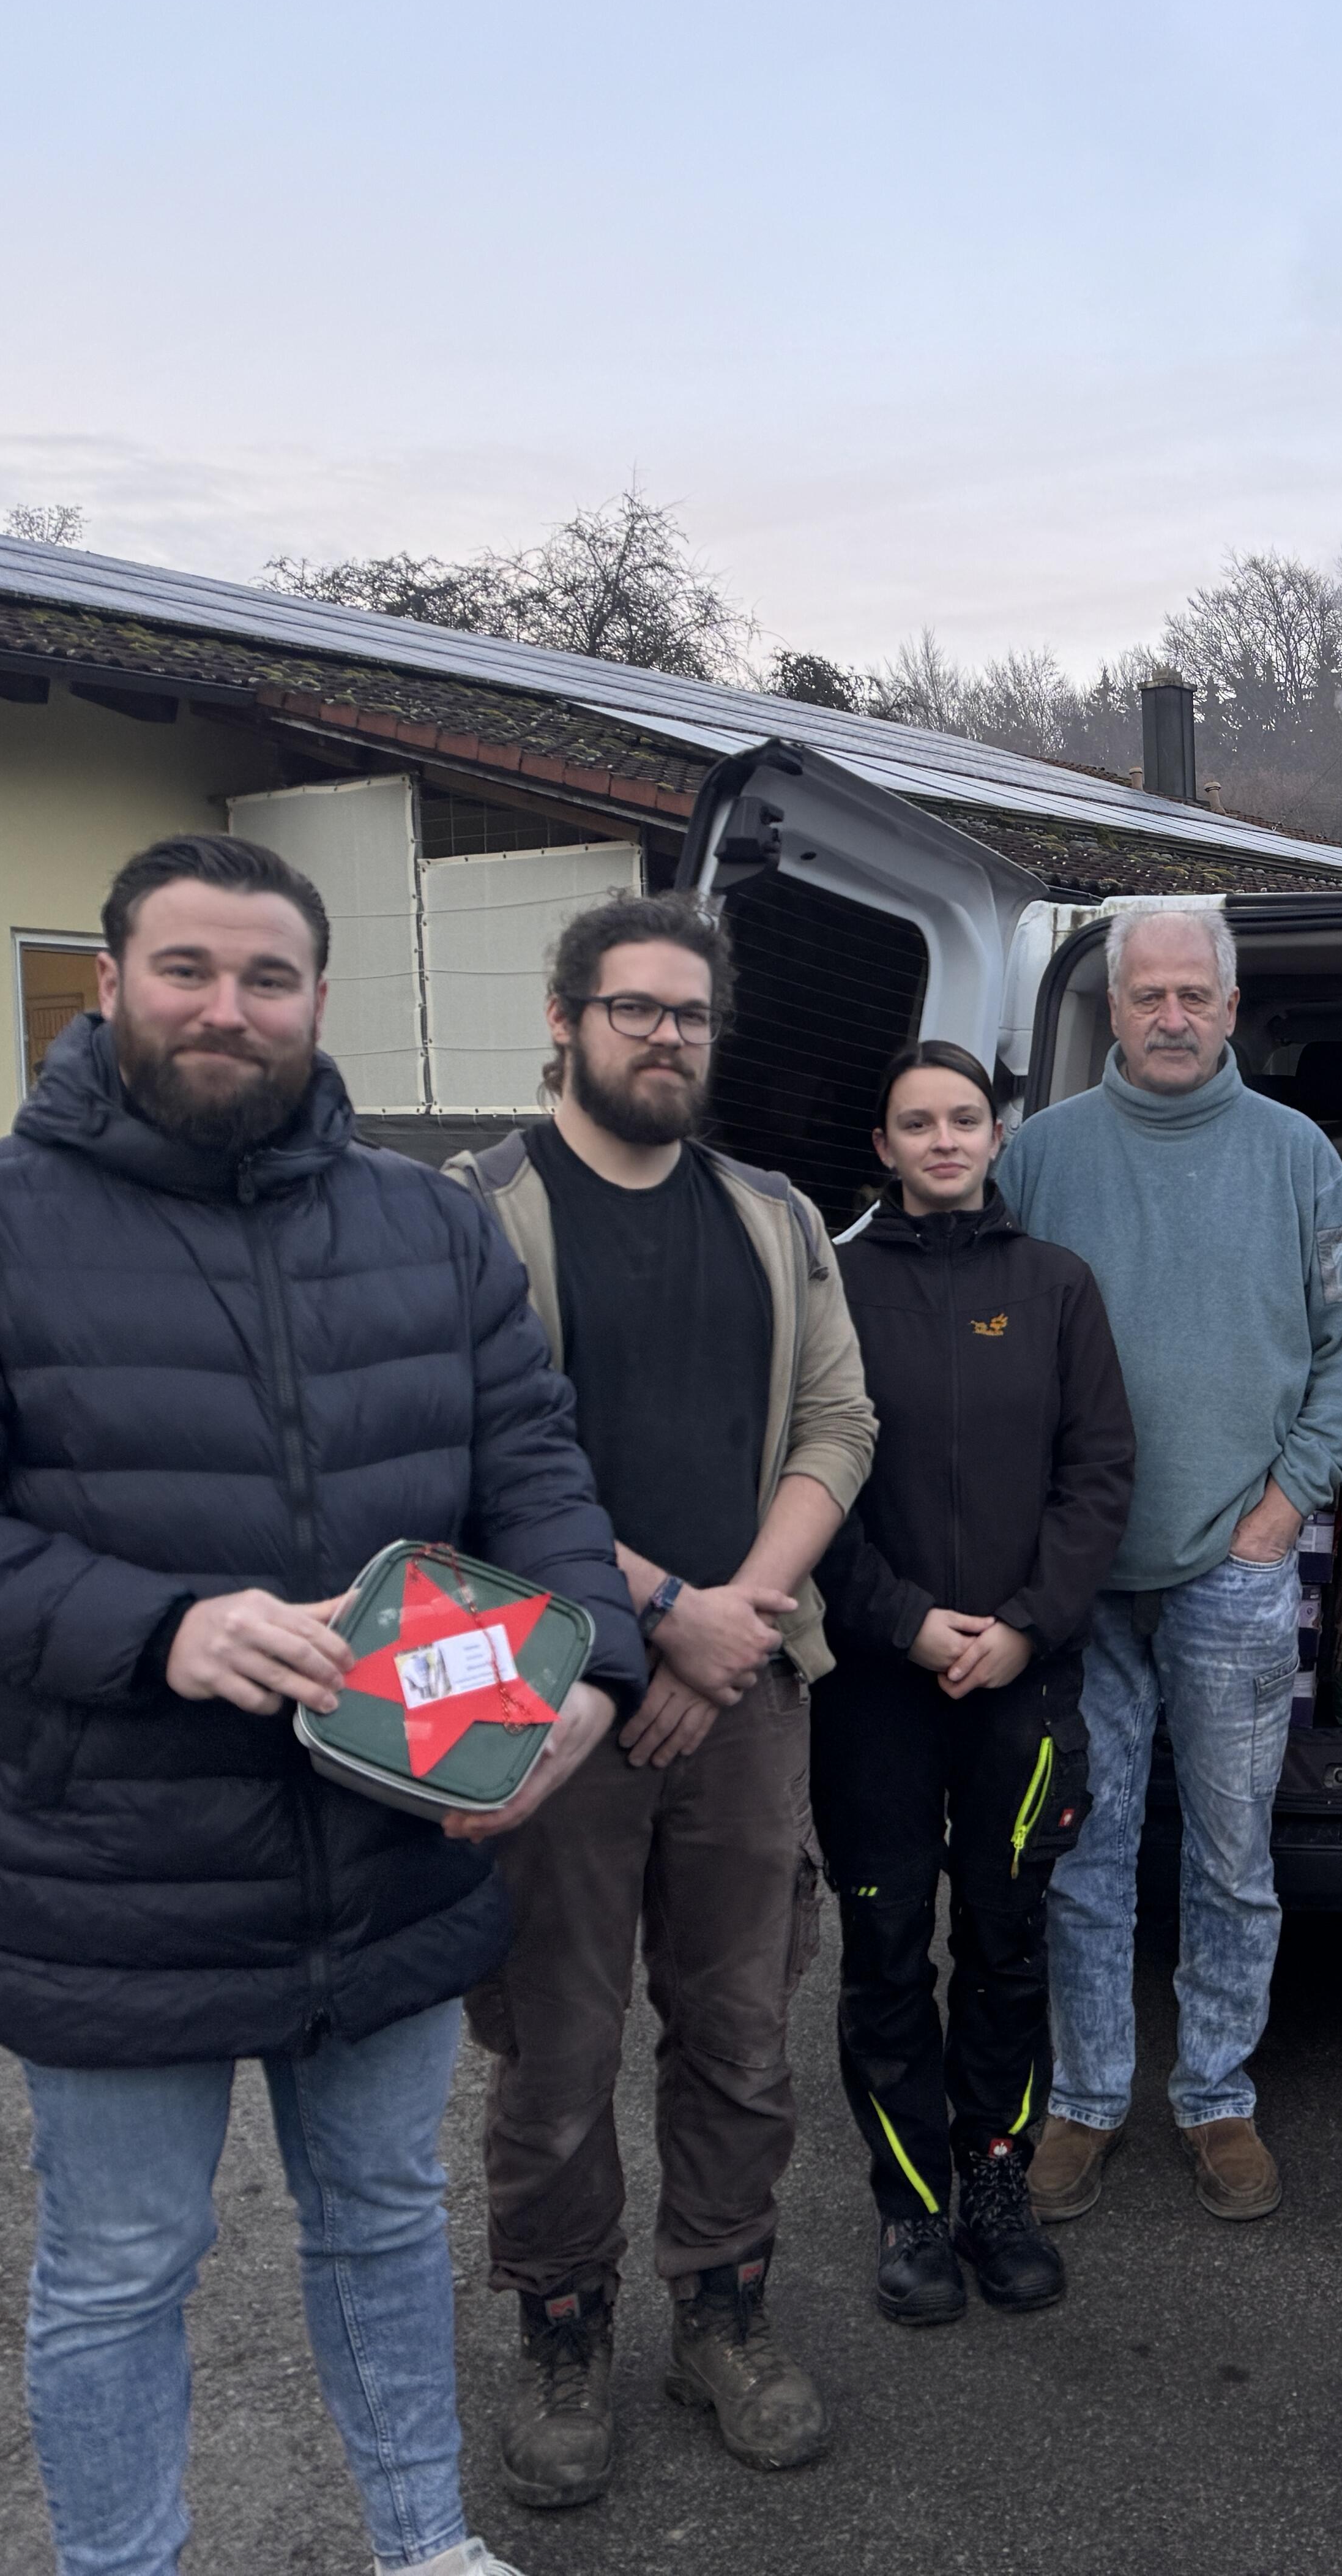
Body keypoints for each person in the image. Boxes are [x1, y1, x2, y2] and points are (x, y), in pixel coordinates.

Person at [0, 833, 634, 2576]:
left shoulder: (429, 1224)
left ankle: (424, 2544)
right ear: (106, 983)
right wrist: (154, 1625)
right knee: (120, 2266)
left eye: (267, 977)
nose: (226, 1008)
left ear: (320, 999)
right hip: (114, 1867)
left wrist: (584, 1675)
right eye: (185, 969)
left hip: (397, 1835)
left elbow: (538, 1470)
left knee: (388, 2216)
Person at [442, 896, 879, 2506]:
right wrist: (664, 1617)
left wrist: (744, 1620)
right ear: (562, 1020)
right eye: (633, 1007)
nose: (665, 1035)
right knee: (552, 2044)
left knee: (746, 2027)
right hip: (555, 1692)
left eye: (690, 1013)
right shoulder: (476, 1213)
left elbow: (839, 1427)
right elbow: (475, 1461)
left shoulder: (773, 1216)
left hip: (748, 1691)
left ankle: (725, 2310)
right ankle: (562, 2333)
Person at [989, 900, 1342, 2223]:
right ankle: (1090, 2100)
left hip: (1235, 1559)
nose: (1171, 1017)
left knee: (1230, 1851)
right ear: (1113, 1011)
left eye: (1194, 997)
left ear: (1230, 1010)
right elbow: (981, 1337)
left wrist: (1286, 1506)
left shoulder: (1294, 1159)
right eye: (1147, 995)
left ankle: (1217, 2093)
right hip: (1075, 1574)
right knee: (1087, 1849)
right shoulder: (1037, 1157)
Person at [815, 1042, 1132, 2323]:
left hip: (1022, 1680)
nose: (943, 1140)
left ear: (995, 1139)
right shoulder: (830, 1288)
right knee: (887, 1945)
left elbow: (1099, 1472)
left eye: (964, 1120)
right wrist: (903, 1623)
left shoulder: (1056, 1286)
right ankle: (909, 2207)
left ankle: (995, 2180)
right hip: (875, 1683)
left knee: (1005, 1944)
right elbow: (804, 1481)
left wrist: (1019, 1627)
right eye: (916, 1123)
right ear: (882, 1147)